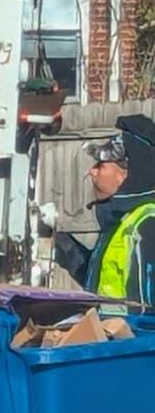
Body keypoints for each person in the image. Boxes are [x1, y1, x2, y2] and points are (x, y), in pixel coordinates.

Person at [55, 114, 155, 305]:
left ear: (126, 173)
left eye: (100, 165)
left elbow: (147, 313)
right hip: (110, 333)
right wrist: (60, 245)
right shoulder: (121, 222)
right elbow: (96, 281)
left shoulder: (147, 226)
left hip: (130, 334)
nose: (92, 172)